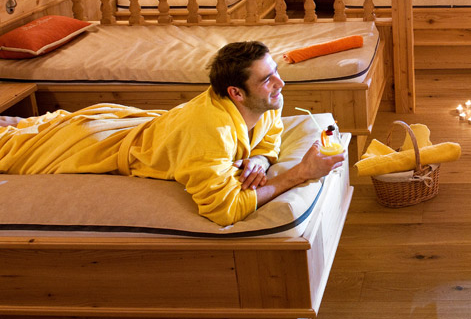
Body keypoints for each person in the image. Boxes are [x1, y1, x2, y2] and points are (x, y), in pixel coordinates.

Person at [0, 41, 344, 226]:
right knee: (12, 148)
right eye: (267, 79)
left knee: (35, 126)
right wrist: (300, 173)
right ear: (236, 93)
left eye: (276, 72)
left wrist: (260, 158)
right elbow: (224, 210)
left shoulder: (267, 101)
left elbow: (270, 137)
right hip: (97, 144)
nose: (280, 83)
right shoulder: (212, 131)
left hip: (135, 123)